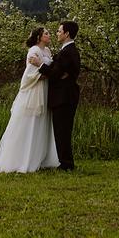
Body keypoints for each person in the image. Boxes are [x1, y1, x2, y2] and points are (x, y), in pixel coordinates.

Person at [0, 27, 61, 173]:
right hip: (35, 91)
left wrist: (49, 72)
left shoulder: (47, 52)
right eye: (46, 33)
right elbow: (30, 75)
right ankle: (24, 159)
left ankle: (40, 157)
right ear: (39, 37)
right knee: (31, 122)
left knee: (42, 122)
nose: (50, 35)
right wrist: (49, 74)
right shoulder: (33, 51)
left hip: (46, 89)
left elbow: (48, 69)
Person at [38, 20, 81, 171]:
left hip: (64, 97)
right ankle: (65, 162)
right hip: (66, 96)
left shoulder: (67, 52)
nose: (57, 33)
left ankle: (66, 164)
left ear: (67, 33)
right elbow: (58, 71)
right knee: (62, 130)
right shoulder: (67, 51)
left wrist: (40, 65)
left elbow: (55, 74)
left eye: (59, 31)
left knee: (62, 130)